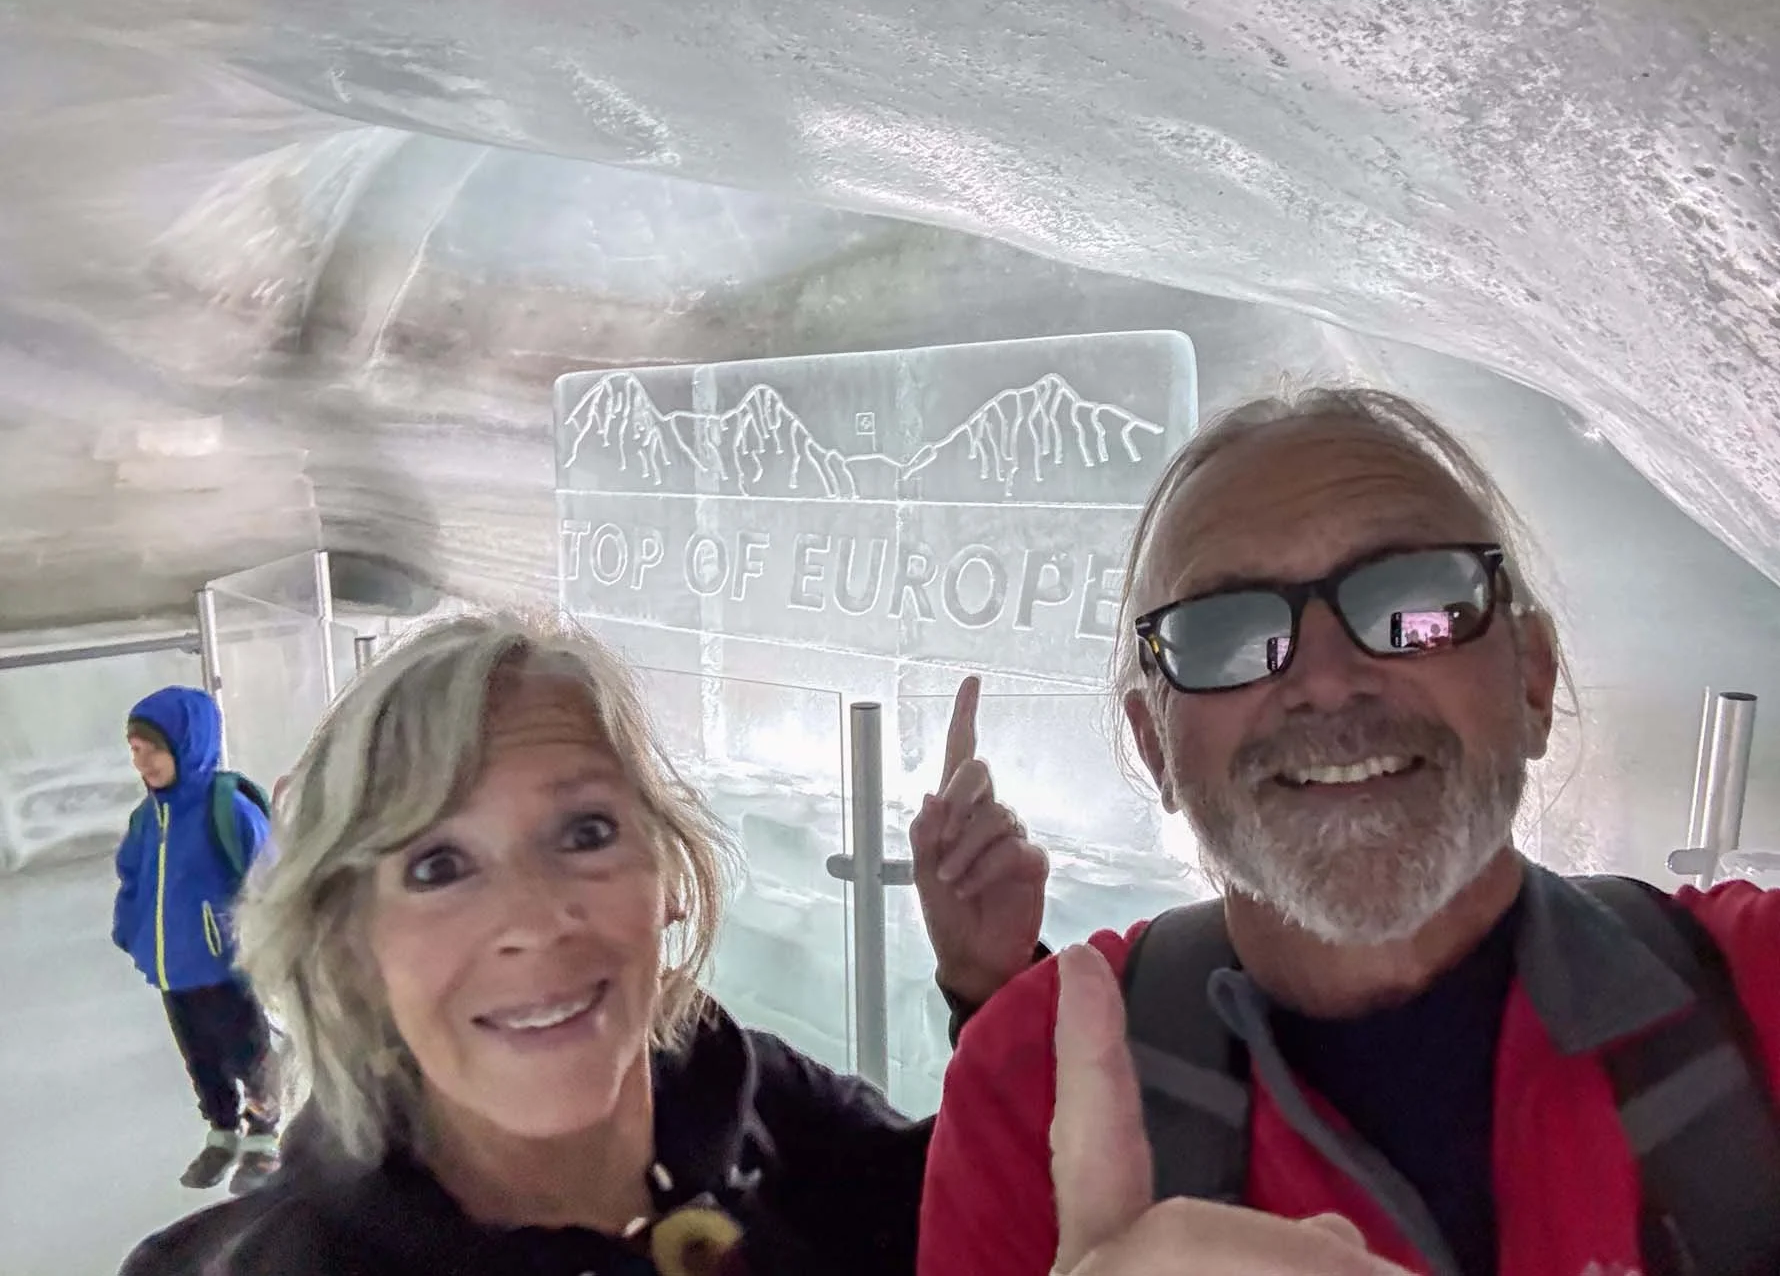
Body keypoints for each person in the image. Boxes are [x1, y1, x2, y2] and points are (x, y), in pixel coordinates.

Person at [916, 387, 1780, 1276]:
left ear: (1532, 683)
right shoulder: (1032, 1083)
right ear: (1156, 747)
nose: (1328, 680)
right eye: (1226, 634)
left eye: (1418, 605)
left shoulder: (1760, 989)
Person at [119, 613, 1034, 1276]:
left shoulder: (752, 1102)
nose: (532, 918)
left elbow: (964, 1214)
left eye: (586, 832)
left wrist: (993, 990)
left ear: (668, 877)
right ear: (352, 942)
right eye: (438, 865)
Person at [114, 685, 282, 1195]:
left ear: (187, 745)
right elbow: (134, 880)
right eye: (134, 749)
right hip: (172, 969)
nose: (142, 761)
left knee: (249, 1055)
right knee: (200, 1058)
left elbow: (267, 879)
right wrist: (131, 932)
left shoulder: (226, 809)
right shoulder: (147, 819)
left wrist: (261, 944)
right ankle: (222, 1130)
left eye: (153, 748)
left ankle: (264, 1135)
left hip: (226, 968)